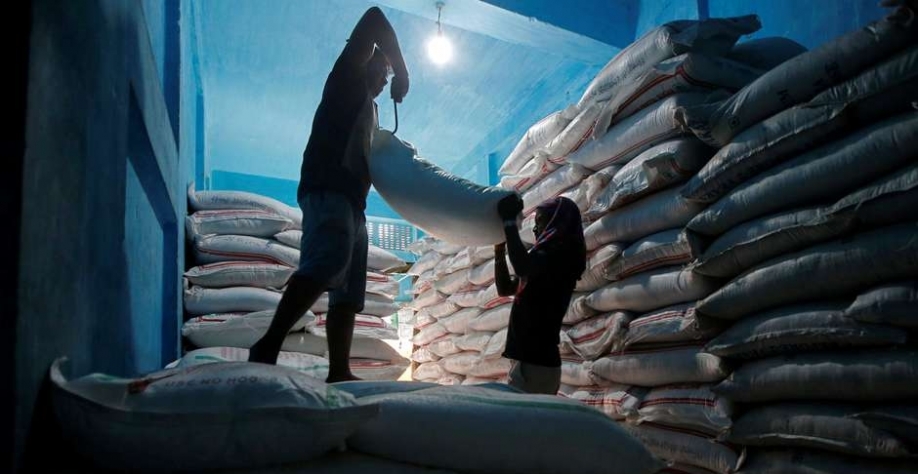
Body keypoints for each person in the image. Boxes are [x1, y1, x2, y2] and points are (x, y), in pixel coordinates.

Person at [248, 7, 409, 383]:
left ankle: (339, 370)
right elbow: (374, 18)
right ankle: (268, 345)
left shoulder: (370, 108)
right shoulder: (346, 78)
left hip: (354, 202)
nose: (384, 82)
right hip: (328, 188)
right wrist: (403, 70)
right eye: (382, 73)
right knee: (325, 264)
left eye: (388, 77)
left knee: (349, 292)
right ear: (368, 63)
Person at [493, 194, 587, 394]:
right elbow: (505, 289)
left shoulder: (562, 257)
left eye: (540, 221)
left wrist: (509, 223)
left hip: (536, 366)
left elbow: (522, 266)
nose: (535, 229)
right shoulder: (542, 258)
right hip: (527, 363)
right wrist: (499, 251)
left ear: (557, 221)